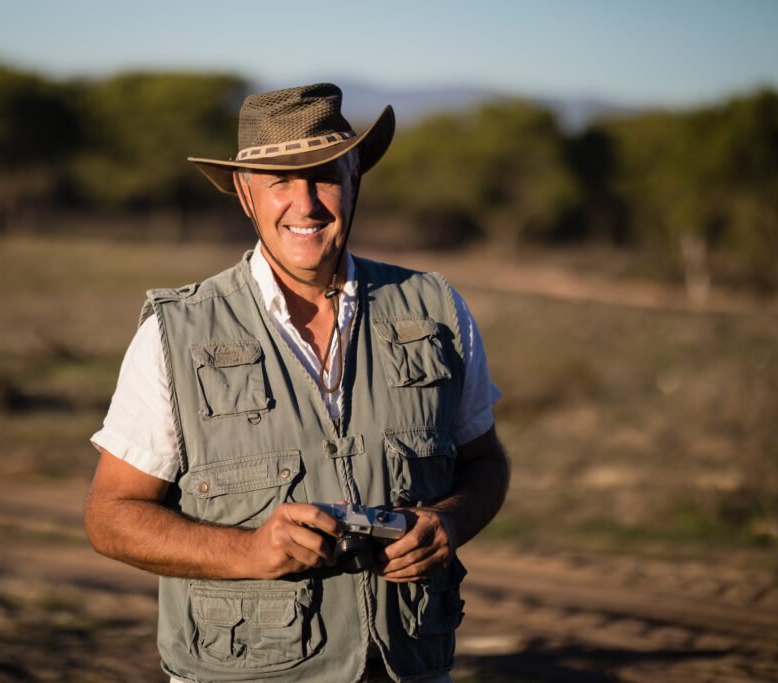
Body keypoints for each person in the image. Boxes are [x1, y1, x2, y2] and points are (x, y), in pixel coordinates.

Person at [85, 83, 510, 683]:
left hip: (409, 667)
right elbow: (111, 516)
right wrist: (248, 552)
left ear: (356, 175)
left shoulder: (437, 310)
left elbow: (485, 463)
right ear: (245, 193)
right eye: (281, 181)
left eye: (325, 176)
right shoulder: (175, 333)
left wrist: (452, 523)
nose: (306, 205)